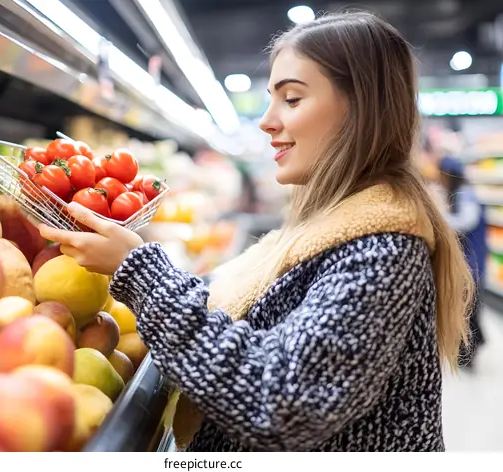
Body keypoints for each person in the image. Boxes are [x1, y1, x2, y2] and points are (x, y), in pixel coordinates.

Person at [39, 12, 474, 452]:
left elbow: (280, 402)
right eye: (271, 98)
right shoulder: (335, 226)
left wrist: (141, 272)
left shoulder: (383, 250)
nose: (266, 121)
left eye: (292, 98)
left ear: (360, 109)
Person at [437, 156, 487, 368]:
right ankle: (469, 348)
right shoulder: (458, 194)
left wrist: (437, 219)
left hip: (472, 260)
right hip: (467, 260)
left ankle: (472, 347)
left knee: (470, 306)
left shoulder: (466, 195)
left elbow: (466, 221)